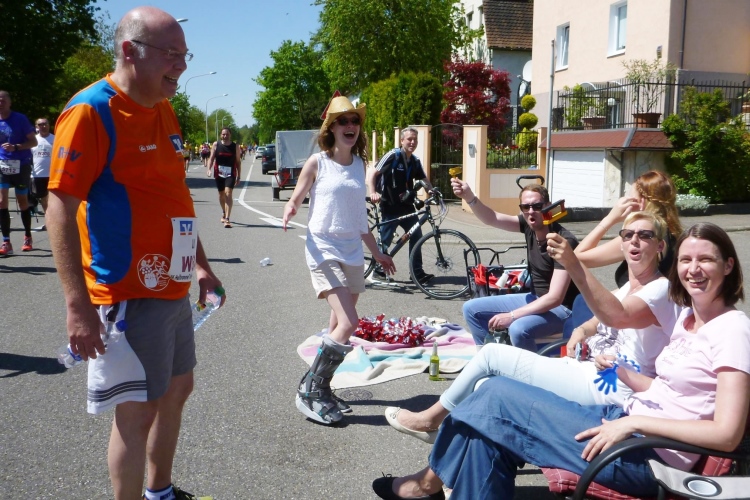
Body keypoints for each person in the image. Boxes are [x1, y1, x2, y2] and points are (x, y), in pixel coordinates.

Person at [373, 222, 749, 500]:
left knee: (493, 396)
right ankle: (427, 486)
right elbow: (669, 391)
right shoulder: (689, 319)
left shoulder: (732, 329)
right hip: (624, 424)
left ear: (729, 266)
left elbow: (726, 434)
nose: (693, 269)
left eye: (706, 259)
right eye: (686, 260)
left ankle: (427, 482)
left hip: (647, 456)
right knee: (486, 432)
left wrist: (635, 422)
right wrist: (620, 372)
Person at [46, 7, 223, 500]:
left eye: (185, 55)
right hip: (127, 290)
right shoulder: (90, 112)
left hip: (173, 283)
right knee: (137, 411)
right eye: (171, 54)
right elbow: (59, 211)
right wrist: (77, 304)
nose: (181, 65)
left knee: (177, 390)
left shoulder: (163, 107)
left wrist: (202, 266)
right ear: (129, 50)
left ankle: (159, 491)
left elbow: (173, 198)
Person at [386, 211, 677, 442]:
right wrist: (580, 332)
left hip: (611, 388)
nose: (634, 241)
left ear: (660, 246)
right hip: (587, 369)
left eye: (645, 235)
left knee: (491, 356)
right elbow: (598, 319)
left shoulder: (660, 289)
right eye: (628, 235)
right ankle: (449, 470)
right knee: (486, 386)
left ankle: (429, 419)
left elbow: (617, 316)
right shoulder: (629, 286)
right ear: (621, 243)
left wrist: (573, 264)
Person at [283, 95, 395, 425]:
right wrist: (290, 208)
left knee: (337, 327)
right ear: (331, 128)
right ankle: (310, 390)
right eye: (343, 121)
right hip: (323, 248)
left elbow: (360, 219)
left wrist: (377, 252)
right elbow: (297, 196)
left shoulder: (360, 166)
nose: (350, 126)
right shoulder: (317, 162)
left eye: (354, 121)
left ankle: (322, 386)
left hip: (352, 251)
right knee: (349, 323)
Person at [450, 177, 579, 350]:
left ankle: (527, 366)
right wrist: (469, 197)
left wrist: (511, 316)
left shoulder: (563, 241)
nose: (531, 211)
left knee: (518, 329)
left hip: (564, 309)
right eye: (526, 207)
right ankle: (488, 357)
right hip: (535, 298)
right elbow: (492, 218)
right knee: (470, 309)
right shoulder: (528, 225)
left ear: (548, 206)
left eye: (537, 206)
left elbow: (555, 298)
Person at [566, 170, 682, 334]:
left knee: (580, 303)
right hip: (644, 312)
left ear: (641, 202)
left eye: (629, 197)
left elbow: (577, 257)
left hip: (634, 321)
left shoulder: (639, 238)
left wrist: (610, 218)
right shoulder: (670, 233)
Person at [366, 127, 435, 285]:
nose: (412, 142)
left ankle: (416, 273)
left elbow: (424, 179)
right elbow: (373, 173)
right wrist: (373, 192)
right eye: (409, 139)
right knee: (385, 239)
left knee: (416, 236)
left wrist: (431, 190)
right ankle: (378, 270)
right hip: (389, 205)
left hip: (407, 207)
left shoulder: (415, 161)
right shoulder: (393, 155)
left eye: (415, 139)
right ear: (402, 140)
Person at [0, 90, 38, 255]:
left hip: (21, 165)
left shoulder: (20, 119)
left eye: (3, 100)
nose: (0, 103)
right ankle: (6, 241)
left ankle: (28, 235)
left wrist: (16, 147)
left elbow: (34, 142)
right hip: (2, 165)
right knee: (2, 201)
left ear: (9, 102)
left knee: (22, 202)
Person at [207, 127, 241, 228]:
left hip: (231, 173)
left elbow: (238, 162)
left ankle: (227, 219)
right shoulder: (216, 144)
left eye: (227, 134)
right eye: (223, 134)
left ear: (230, 135)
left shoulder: (235, 146)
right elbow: (211, 158)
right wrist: (209, 169)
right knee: (221, 194)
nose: (225, 136)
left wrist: (239, 176)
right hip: (219, 173)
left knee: (228, 193)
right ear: (220, 135)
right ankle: (224, 211)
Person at [31, 117, 54, 228]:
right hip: (38, 174)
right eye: (40, 124)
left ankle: (55, 221)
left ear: (49, 125)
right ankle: (49, 221)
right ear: (36, 127)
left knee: (53, 200)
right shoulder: (33, 140)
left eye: (45, 124)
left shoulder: (55, 139)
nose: (43, 126)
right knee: (44, 200)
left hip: (53, 174)